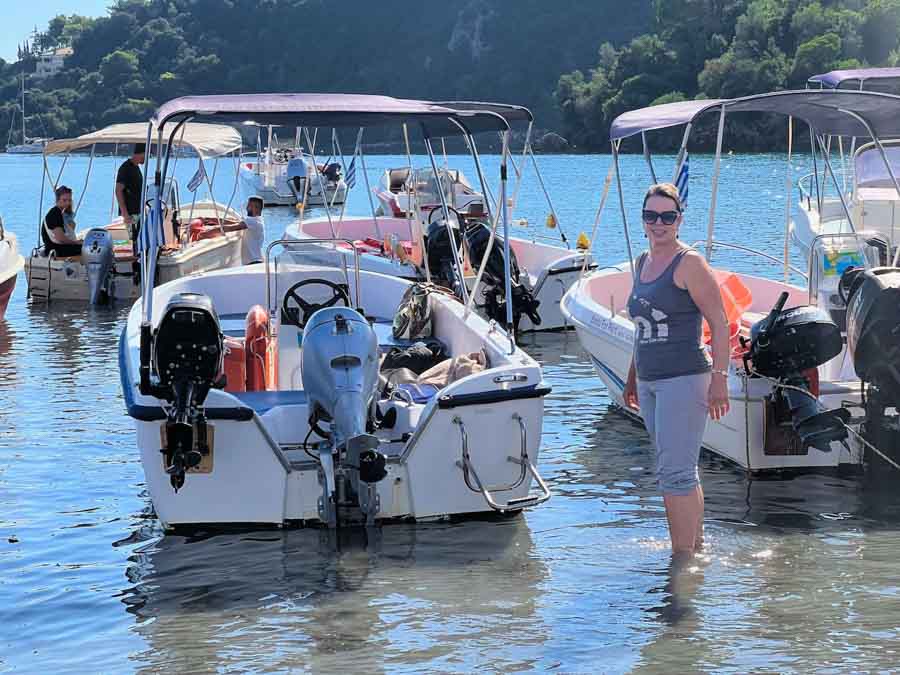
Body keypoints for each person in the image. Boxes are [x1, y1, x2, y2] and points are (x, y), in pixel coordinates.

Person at [622, 183, 729, 555]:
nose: (659, 223)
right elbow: (641, 328)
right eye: (651, 216)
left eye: (667, 216)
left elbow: (718, 322)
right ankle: (695, 549)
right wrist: (632, 377)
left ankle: (681, 564)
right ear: (643, 220)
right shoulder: (641, 262)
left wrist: (720, 380)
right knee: (680, 469)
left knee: (675, 474)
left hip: (684, 379)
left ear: (679, 220)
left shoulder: (689, 263)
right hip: (650, 381)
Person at [42, 185, 82, 257]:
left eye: (69, 200)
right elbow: (61, 239)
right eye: (64, 200)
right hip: (56, 250)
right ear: (57, 200)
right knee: (88, 249)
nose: (67, 203)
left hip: (58, 248)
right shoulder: (54, 213)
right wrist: (76, 243)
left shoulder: (61, 213)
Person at [115, 143, 145, 236]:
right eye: (146, 155)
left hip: (138, 211)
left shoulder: (136, 167)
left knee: (140, 239)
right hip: (131, 214)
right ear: (141, 153)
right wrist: (125, 214)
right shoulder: (125, 168)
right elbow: (118, 190)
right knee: (135, 240)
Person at [240, 196, 265, 264]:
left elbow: (231, 227)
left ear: (256, 208)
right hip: (256, 260)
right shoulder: (257, 219)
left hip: (254, 261)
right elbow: (239, 222)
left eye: (249, 206)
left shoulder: (252, 221)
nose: (246, 208)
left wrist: (212, 229)